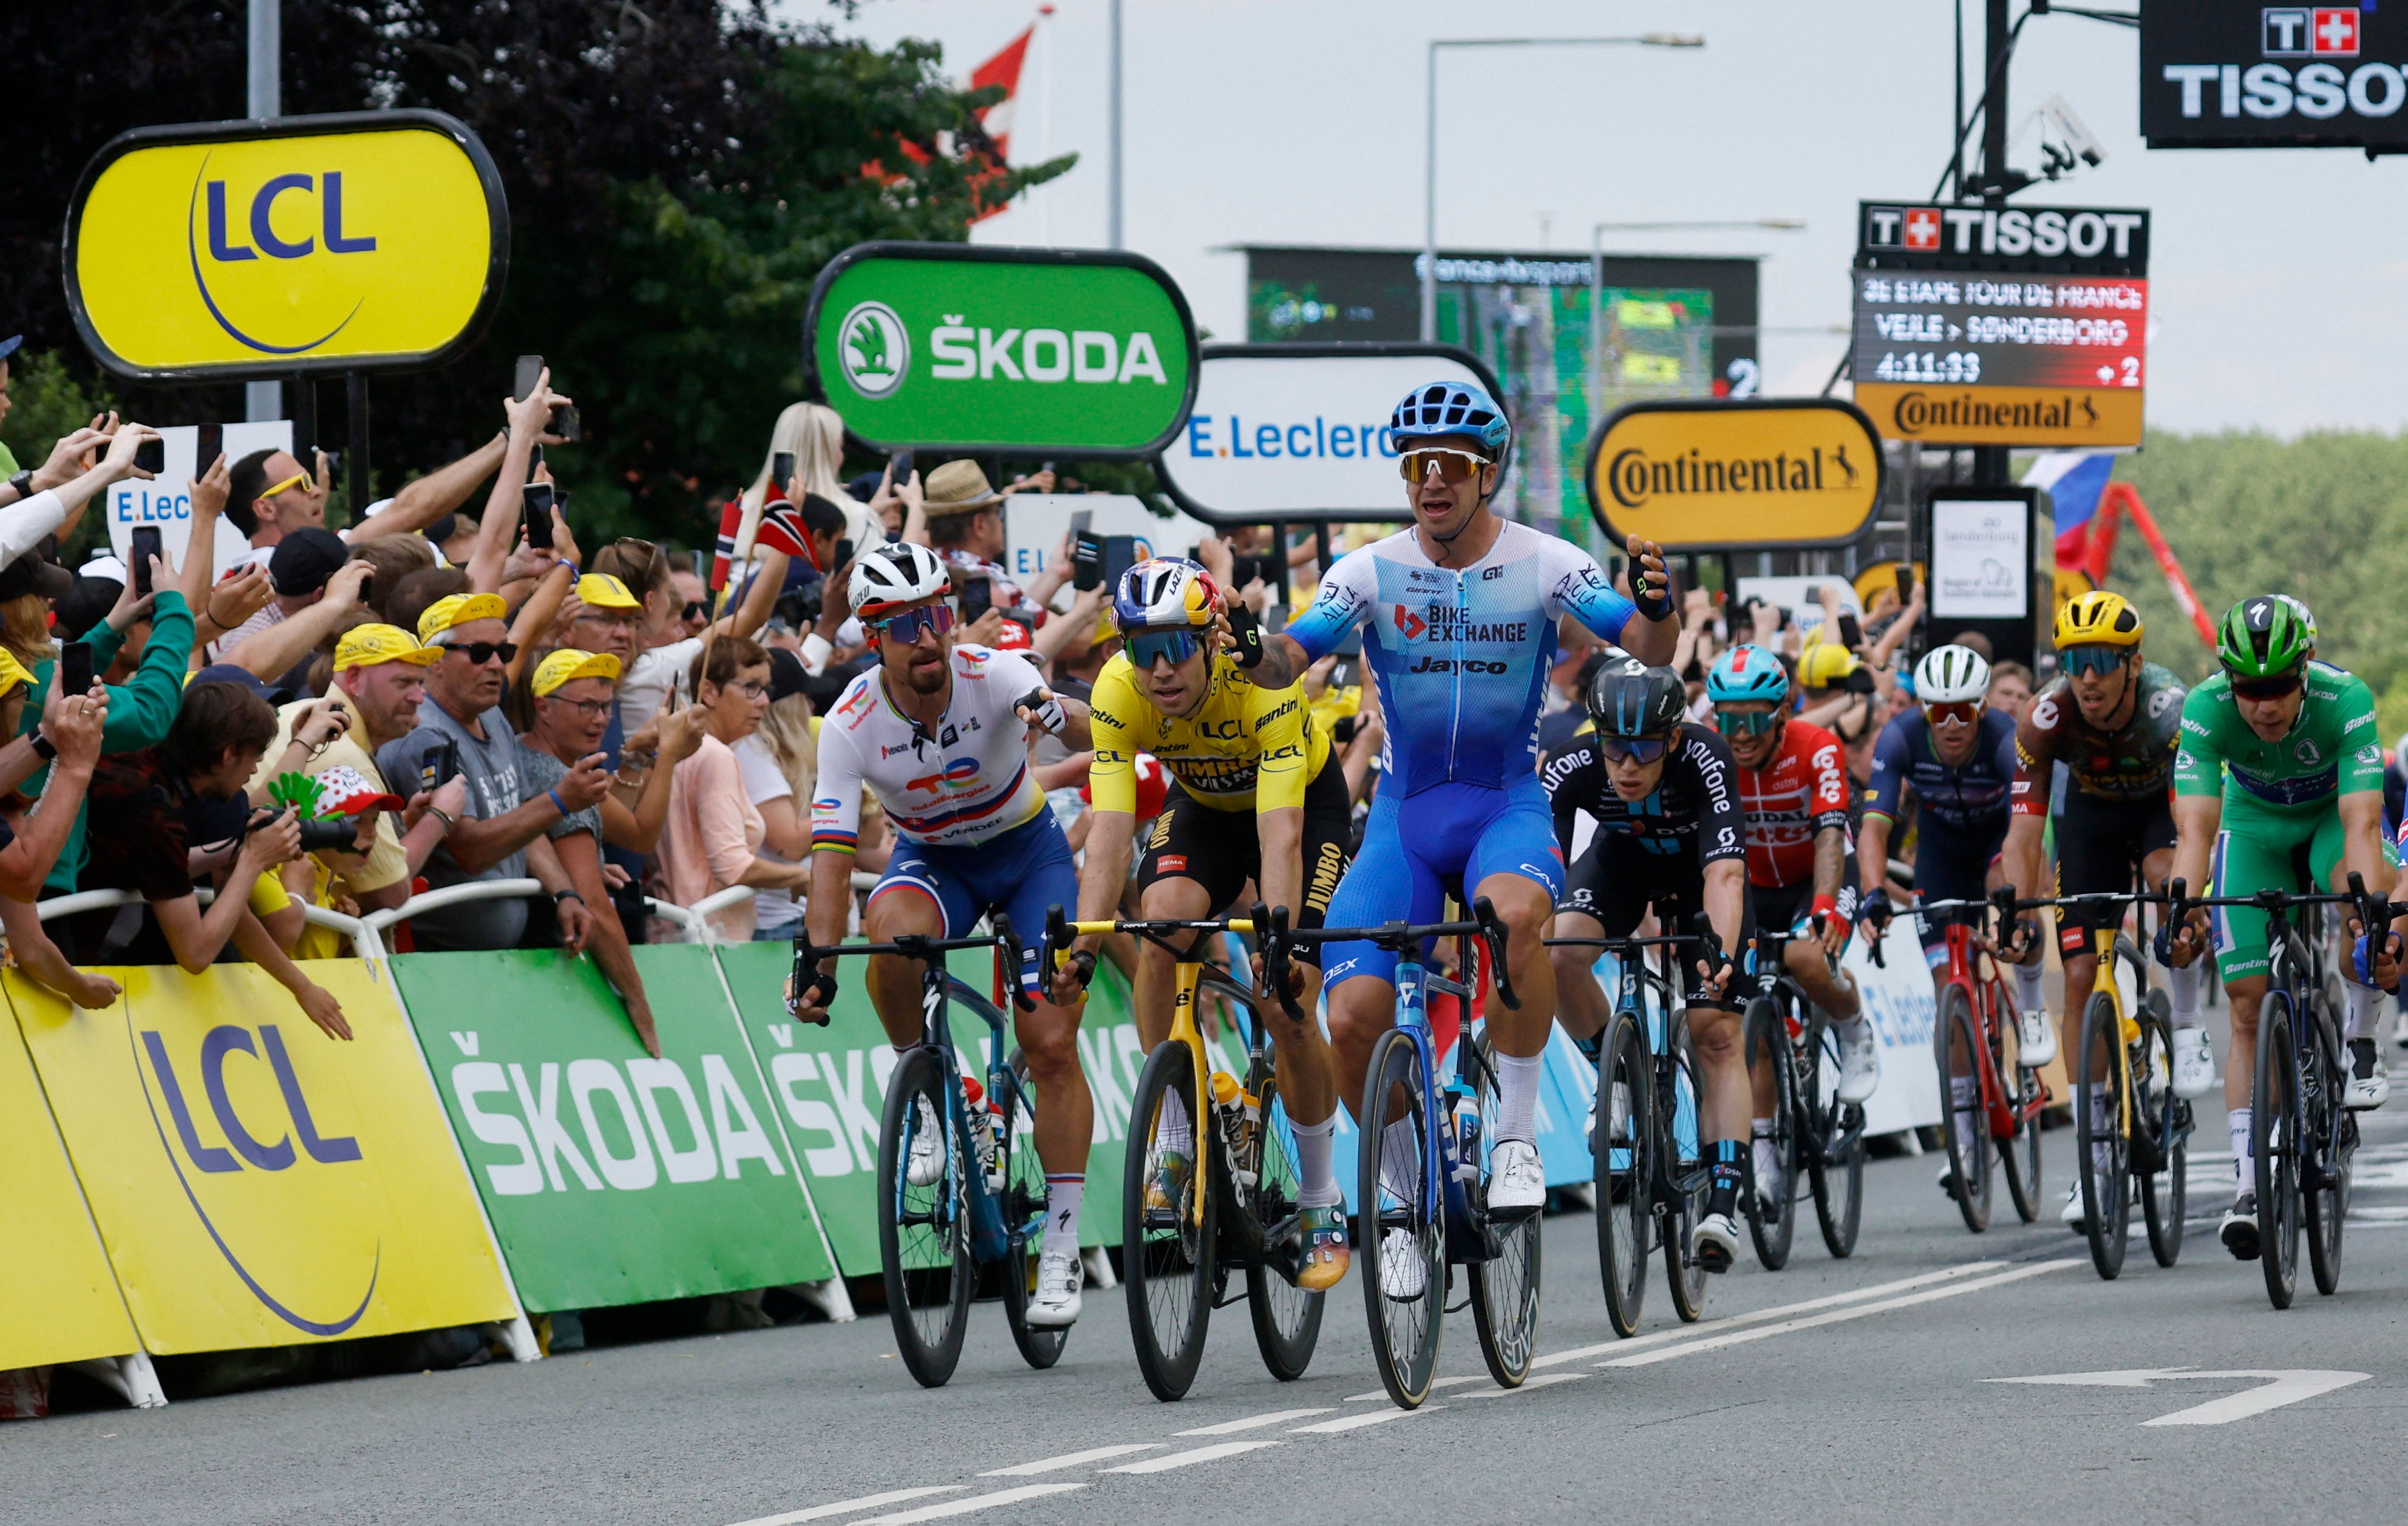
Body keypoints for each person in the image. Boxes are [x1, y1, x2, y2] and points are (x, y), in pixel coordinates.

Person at [1224, 379, 1677, 1259]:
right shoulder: (1366, 572)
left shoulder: (1546, 563)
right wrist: (1253, 647)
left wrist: (1659, 606)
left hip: (1503, 803)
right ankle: (1399, 1202)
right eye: (1416, 466)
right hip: (1403, 816)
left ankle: (1512, 1135)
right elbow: (1288, 657)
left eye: (1451, 466)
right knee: (1351, 1018)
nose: (1431, 481)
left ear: (1487, 472)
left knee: (1515, 919)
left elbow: (1647, 645)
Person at [792, 542, 1095, 1326]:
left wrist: (1050, 709)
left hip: (1027, 857)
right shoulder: (850, 723)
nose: (925, 637)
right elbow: (828, 855)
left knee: (1050, 1040)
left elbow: (1052, 701)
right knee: (889, 936)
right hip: (935, 862)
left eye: (935, 616)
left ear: (952, 616)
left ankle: (1059, 1246)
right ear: (871, 637)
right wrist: (816, 958)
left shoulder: (993, 673)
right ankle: (925, 1089)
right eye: (902, 625)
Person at [1056, 558, 1356, 1289]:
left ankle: (1320, 1195)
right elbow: (1109, 830)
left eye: (1174, 647)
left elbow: (1281, 837)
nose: (1157, 668)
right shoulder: (1118, 692)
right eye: (1139, 647)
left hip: (1300, 809)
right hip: (1206, 812)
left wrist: (1277, 938)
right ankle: (1175, 1132)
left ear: (1212, 641)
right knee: (1159, 926)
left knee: (1288, 1003)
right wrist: (1088, 941)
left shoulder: (1262, 689)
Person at [2165, 596, 2391, 1259]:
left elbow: (2362, 826)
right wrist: (2182, 903)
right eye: (2249, 689)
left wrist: (2372, 915)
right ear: (2229, 682)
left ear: (2307, 670)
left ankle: (2361, 1037)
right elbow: (2196, 829)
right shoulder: (2206, 709)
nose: (2264, 705)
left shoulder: (2345, 698)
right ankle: (2248, 1184)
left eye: (2279, 687)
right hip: (2254, 826)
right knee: (2245, 1003)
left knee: (2366, 904)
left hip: (2328, 820)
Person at [1998, 592, 2199, 1231]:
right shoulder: (2045, 715)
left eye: (2102, 660)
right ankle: (2095, 1165)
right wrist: (2018, 907)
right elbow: (2025, 833)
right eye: (2074, 658)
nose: (2087, 675)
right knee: (2081, 973)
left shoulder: (2173, 710)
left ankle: (2185, 1023)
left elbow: (2194, 819)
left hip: (2160, 813)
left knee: (2167, 878)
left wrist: (2185, 902)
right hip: (2089, 818)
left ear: (2132, 665)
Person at [1546, 659, 1753, 1267]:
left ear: (1673, 738)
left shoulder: (1706, 755)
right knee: (1558, 951)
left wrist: (1720, 952)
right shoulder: (1572, 761)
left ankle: (1722, 1199)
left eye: (1643, 747)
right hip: (1622, 864)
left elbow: (1725, 872)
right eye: (1615, 746)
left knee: (1715, 1030)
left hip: (1697, 877)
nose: (1628, 763)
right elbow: (1542, 865)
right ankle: (1617, 1075)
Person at [74, 681, 349, 1038]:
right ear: (227, 754)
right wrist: (251, 860)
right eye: (255, 757)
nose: (255, 771)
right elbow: (195, 952)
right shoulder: (153, 814)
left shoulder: (137, 763)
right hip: (67, 955)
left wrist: (235, 850)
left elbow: (164, 865)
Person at [1857, 642, 2022, 1199]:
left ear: (1982, 708)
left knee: (2011, 897)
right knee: (1945, 986)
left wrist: (2018, 905)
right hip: (1943, 856)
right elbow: (1875, 825)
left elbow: (2027, 827)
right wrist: (1874, 891)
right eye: (1938, 711)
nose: (1951, 725)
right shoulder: (1901, 736)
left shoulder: (2005, 738)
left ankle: (2030, 1004)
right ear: (1924, 710)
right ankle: (1966, 1138)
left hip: (1999, 845)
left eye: (1964, 712)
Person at [1703, 645, 1880, 1159]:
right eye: (1728, 719)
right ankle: (1764, 1168)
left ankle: (1853, 1025)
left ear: (1782, 711)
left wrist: (1825, 904)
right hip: (1755, 888)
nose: (1739, 733)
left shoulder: (1817, 746)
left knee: (1805, 954)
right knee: (1752, 1029)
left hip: (1817, 875)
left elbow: (1829, 834)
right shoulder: (1713, 757)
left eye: (1754, 718)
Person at [377, 594, 610, 950]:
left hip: (497, 956)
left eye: (504, 653)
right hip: (441, 960)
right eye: (480, 653)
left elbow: (521, 821)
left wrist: (565, 891)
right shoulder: (425, 736)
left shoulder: (491, 715)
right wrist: (560, 801)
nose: (497, 666)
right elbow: (470, 852)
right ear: (436, 662)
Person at [245, 625, 454, 914]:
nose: (420, 698)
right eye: (404, 683)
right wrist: (441, 816)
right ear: (355, 679)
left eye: (421, 683)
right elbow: (391, 894)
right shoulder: (342, 753)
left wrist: (406, 821)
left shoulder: (304, 710)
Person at [522, 649, 661, 1055]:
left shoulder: (531, 756)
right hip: (554, 972)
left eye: (606, 707)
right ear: (543, 707)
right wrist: (638, 999)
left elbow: (630, 836)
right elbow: (595, 904)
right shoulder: (555, 775)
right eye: (586, 706)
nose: (600, 719)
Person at [660, 636, 811, 940]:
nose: (765, 701)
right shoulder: (715, 756)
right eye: (751, 688)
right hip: (711, 943)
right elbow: (733, 868)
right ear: (710, 693)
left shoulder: (681, 749)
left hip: (684, 935)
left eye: (765, 689)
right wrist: (801, 876)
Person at [732, 648, 815, 941]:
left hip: (786, 917)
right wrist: (842, 805)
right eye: (805, 698)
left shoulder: (760, 751)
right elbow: (789, 844)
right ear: (788, 707)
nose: (812, 706)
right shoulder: (751, 749)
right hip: (777, 924)